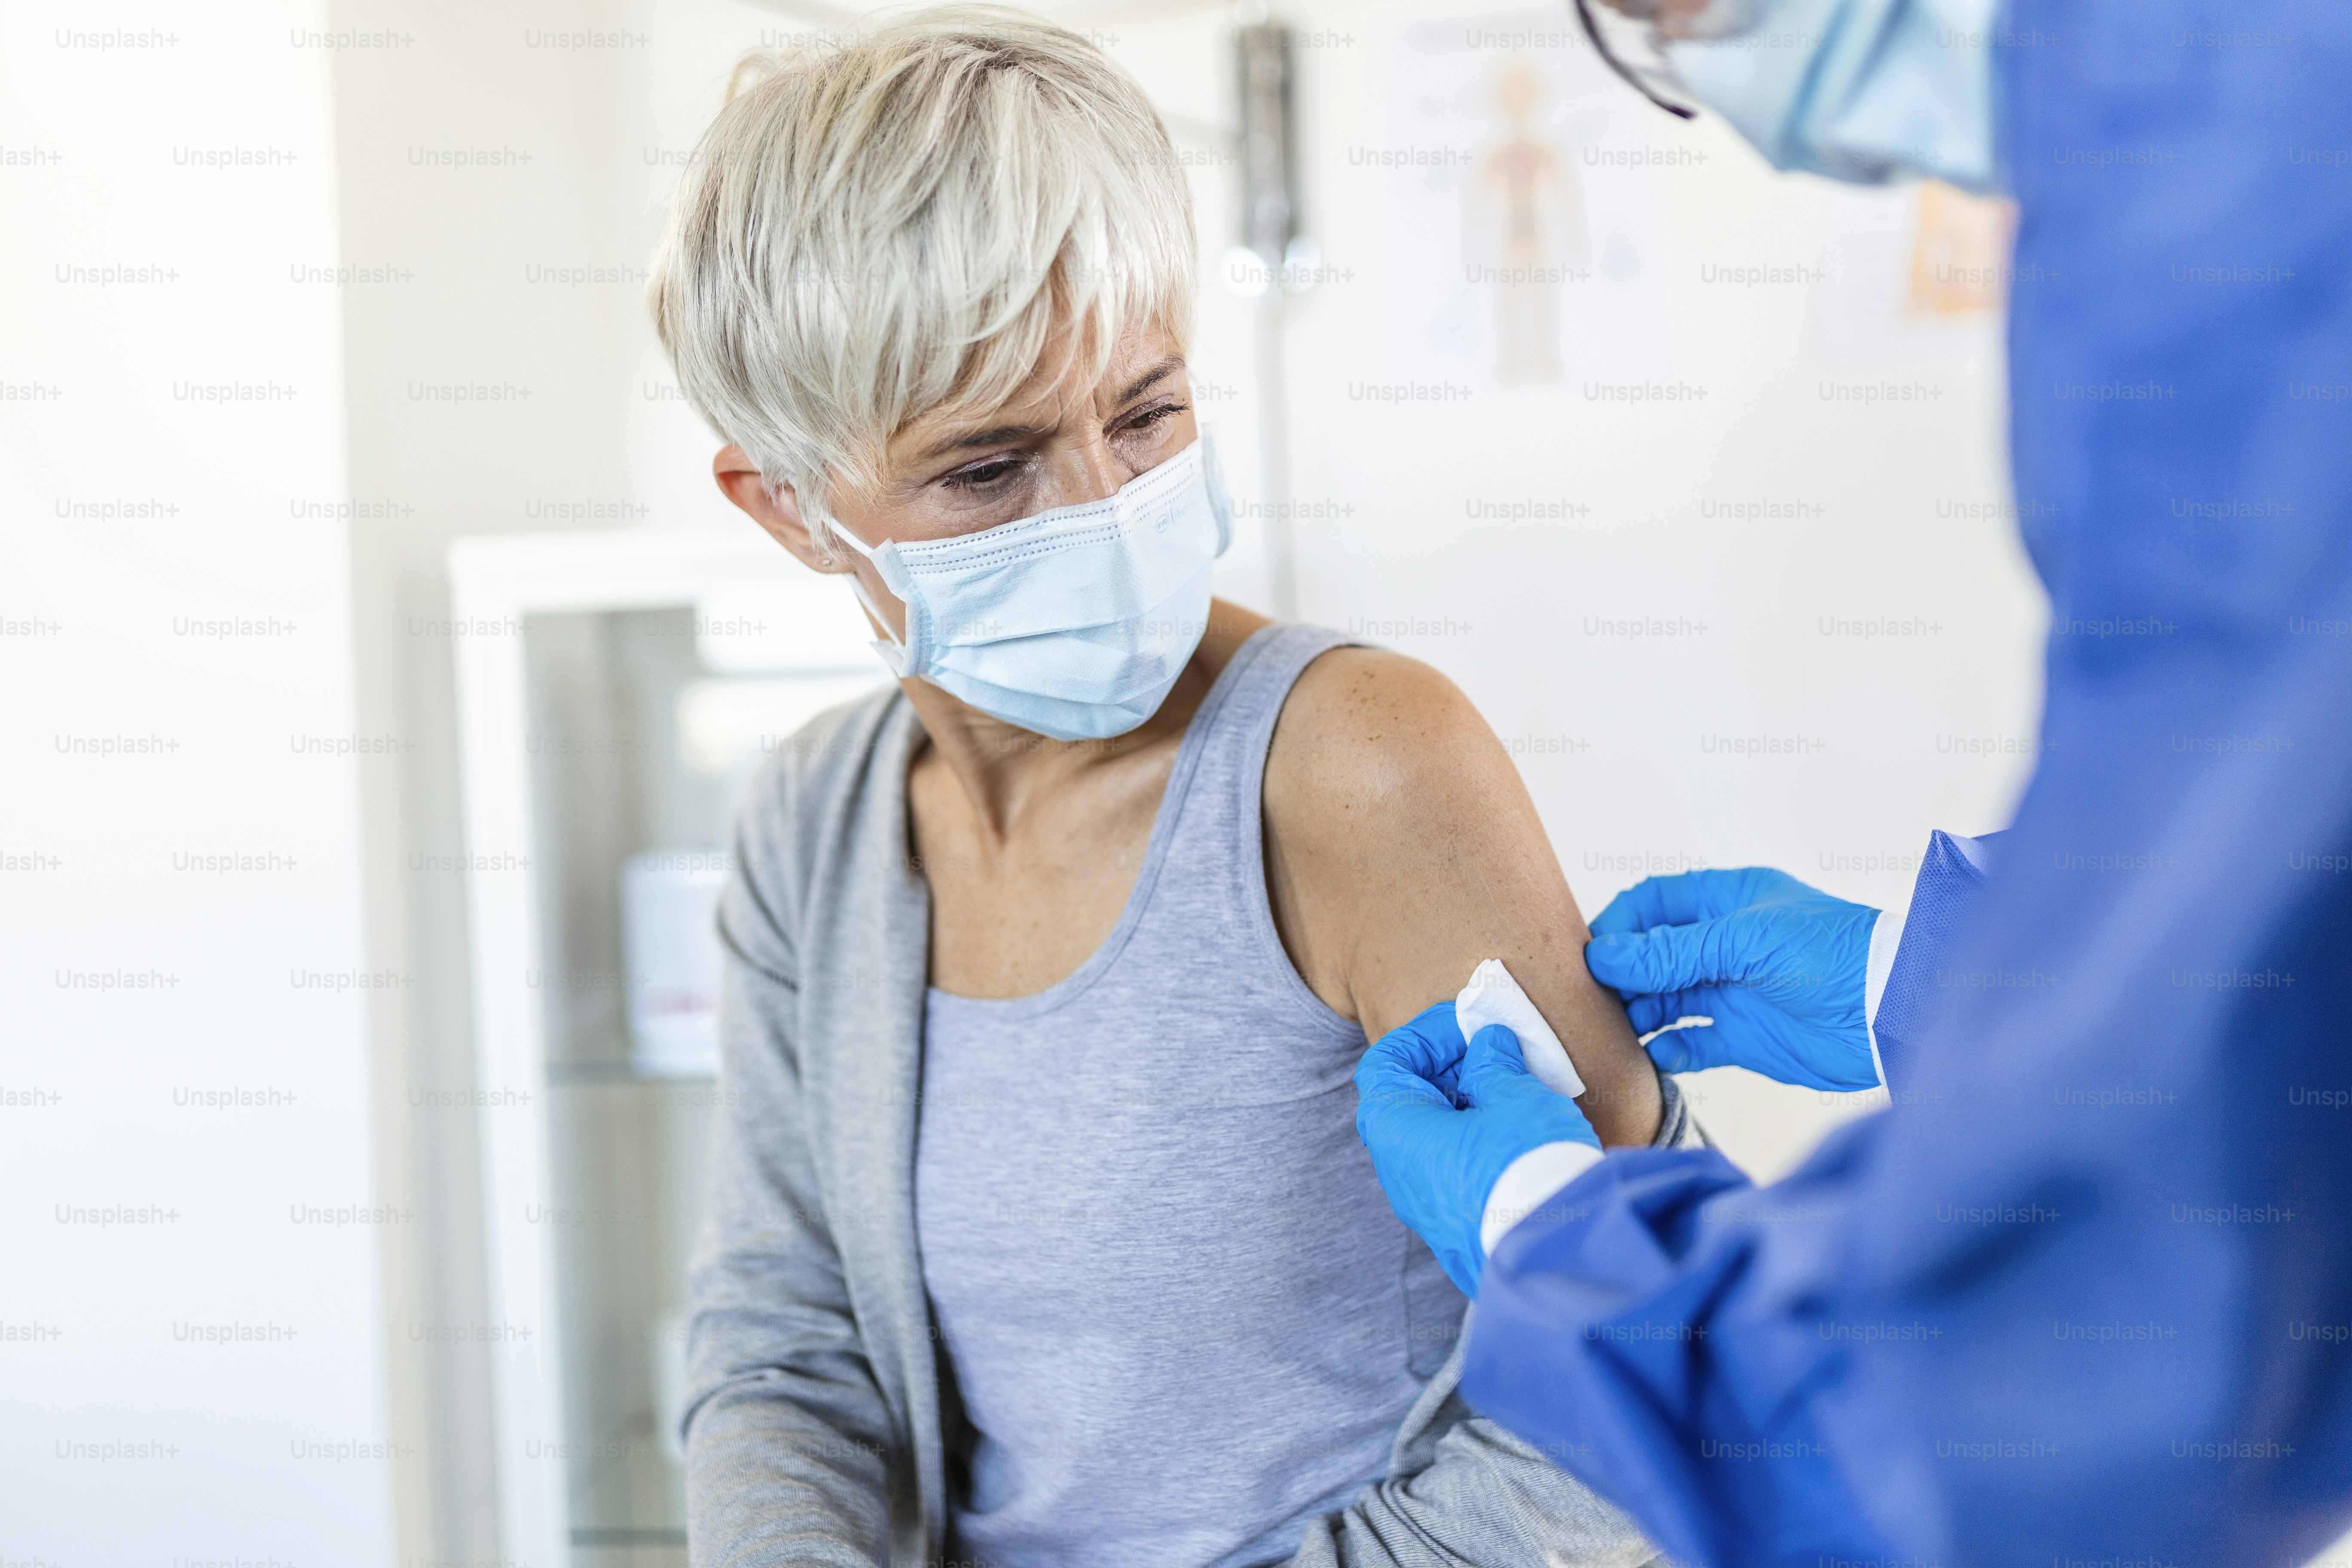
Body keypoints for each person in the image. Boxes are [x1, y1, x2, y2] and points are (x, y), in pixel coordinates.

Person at [648, 11, 1692, 1565]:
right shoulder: (816, 830)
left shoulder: (1357, 769)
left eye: (1145, 412)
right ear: (789, 507)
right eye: (989, 468)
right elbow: (786, 1335)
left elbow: (1631, 1388)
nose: (1113, 509)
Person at [1355, 0, 2352, 1565]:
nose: (1692, 54)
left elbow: (2041, 1428)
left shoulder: (2249, 155)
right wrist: (1923, 976)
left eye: (1662, 16)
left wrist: (1564, 1246)